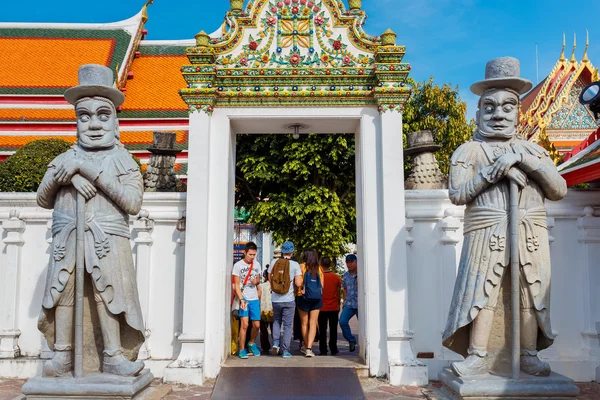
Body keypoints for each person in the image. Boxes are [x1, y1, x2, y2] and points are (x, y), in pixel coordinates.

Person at [442, 57, 567, 377]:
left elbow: (558, 189)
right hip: (487, 230)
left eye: (508, 106)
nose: (498, 113)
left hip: (528, 232)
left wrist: (522, 160)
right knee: (484, 292)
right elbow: (457, 195)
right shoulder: (468, 151)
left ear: (519, 112)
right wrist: (492, 174)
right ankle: (478, 354)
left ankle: (527, 355)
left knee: (531, 291)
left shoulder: (534, 150)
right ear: (478, 112)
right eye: (490, 107)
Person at [37, 64, 146, 377]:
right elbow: (43, 198)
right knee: (65, 291)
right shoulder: (64, 158)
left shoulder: (121, 159)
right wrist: (66, 176)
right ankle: (63, 354)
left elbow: (133, 202)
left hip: (106, 239)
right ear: (75, 122)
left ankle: (113, 355)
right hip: (68, 240)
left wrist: (89, 171)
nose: (94, 124)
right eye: (84, 116)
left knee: (106, 293)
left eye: (103, 115)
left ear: (115, 120)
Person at [268, 241, 302, 358]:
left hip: (275, 299)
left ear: (282, 251)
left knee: (276, 321)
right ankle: (285, 351)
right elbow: (298, 282)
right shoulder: (295, 265)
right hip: (289, 299)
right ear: (292, 252)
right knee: (287, 325)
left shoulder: (274, 262)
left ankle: (276, 343)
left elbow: (270, 279)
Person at [232, 242, 262, 359]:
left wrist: (257, 281)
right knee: (244, 324)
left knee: (257, 325)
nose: (252, 257)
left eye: (254, 254)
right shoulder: (238, 266)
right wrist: (241, 299)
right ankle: (242, 349)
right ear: (245, 252)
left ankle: (251, 343)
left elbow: (258, 278)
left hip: (254, 298)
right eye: (250, 254)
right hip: (244, 298)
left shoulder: (257, 265)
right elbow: (237, 284)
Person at [297, 249, 324, 357]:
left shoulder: (301, 267)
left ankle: (305, 346)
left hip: (302, 297)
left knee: (304, 323)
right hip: (316, 298)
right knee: (313, 323)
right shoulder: (319, 269)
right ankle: (309, 348)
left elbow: (298, 283)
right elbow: (322, 286)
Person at [317, 256, 341, 356]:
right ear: (330, 265)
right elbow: (338, 292)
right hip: (333, 306)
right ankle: (333, 348)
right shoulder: (336, 277)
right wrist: (338, 303)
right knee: (333, 329)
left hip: (321, 307)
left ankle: (323, 350)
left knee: (322, 330)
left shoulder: (319, 277)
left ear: (320, 265)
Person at [340, 254, 359, 352]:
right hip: (350, 304)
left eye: (352, 262)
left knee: (364, 325)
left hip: (360, 304)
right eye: (348, 262)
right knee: (342, 321)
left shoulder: (361, 274)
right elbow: (345, 288)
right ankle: (351, 340)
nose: (349, 264)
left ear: (356, 262)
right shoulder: (346, 275)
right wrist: (344, 301)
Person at [259, 269, 274, 355]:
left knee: (263, 330)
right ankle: (276, 345)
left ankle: (265, 347)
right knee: (275, 329)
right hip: (273, 310)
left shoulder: (261, 286)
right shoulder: (276, 286)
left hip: (262, 310)